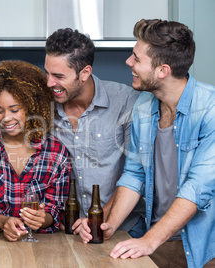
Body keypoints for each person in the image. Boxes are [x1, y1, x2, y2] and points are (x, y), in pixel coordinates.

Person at [79, 19, 215, 268]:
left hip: (204, 247)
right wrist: (111, 224)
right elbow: (134, 174)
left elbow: (197, 189)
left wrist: (149, 241)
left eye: (136, 58)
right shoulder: (144, 105)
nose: (129, 62)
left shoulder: (210, 109)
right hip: (160, 240)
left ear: (162, 70)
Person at [44, 28, 145, 238]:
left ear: (85, 73)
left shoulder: (125, 101)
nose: (49, 83)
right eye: (48, 73)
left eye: (58, 76)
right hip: (67, 231)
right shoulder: (45, 108)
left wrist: (98, 218)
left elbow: (137, 174)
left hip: (123, 230)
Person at [0, 60, 70, 241]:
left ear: (32, 107)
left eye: (14, 110)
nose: (6, 118)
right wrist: (3, 222)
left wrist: (42, 219)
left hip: (41, 247)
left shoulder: (56, 153)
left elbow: (55, 211)